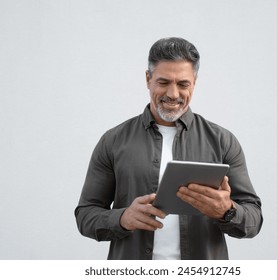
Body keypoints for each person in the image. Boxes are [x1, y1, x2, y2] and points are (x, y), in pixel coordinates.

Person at [75, 37, 263, 260]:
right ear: (148, 79)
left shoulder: (222, 141)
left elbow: (254, 219)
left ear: (194, 82)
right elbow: (86, 215)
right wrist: (122, 219)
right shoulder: (113, 140)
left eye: (183, 84)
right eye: (163, 82)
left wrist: (227, 211)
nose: (173, 94)